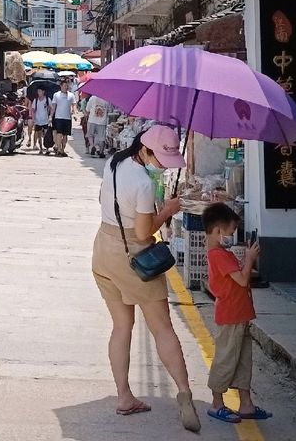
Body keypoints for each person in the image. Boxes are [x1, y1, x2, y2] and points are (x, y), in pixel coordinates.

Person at [92, 126, 201, 432]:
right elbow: (143, 233)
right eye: (161, 157)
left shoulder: (114, 161)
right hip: (134, 258)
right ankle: (184, 395)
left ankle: (124, 397)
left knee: (121, 326)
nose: (165, 164)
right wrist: (166, 210)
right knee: (163, 329)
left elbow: (101, 196)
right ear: (144, 149)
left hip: (103, 250)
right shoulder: (143, 183)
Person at [203, 203, 272, 424]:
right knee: (226, 359)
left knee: (243, 361)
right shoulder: (218, 255)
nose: (232, 236)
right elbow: (242, 279)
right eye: (231, 232)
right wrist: (250, 259)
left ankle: (246, 404)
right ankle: (216, 403)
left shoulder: (222, 253)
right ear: (218, 231)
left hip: (239, 314)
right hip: (231, 315)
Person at [49, 79, 76, 157]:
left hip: (67, 118)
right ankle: (59, 149)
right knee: (59, 133)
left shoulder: (71, 95)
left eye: (67, 86)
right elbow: (53, 106)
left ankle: (63, 149)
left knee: (65, 135)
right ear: (61, 86)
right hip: (58, 117)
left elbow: (74, 105)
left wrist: (74, 114)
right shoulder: (56, 95)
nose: (66, 87)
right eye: (64, 86)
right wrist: (51, 116)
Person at [30, 86, 51, 155]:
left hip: (45, 120)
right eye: (38, 91)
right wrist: (33, 118)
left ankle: (47, 148)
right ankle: (41, 148)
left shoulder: (47, 100)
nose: (38, 93)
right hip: (38, 120)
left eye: (40, 91)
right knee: (39, 135)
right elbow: (33, 110)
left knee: (46, 135)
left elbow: (51, 108)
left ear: (43, 92)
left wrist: (50, 115)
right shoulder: (35, 100)